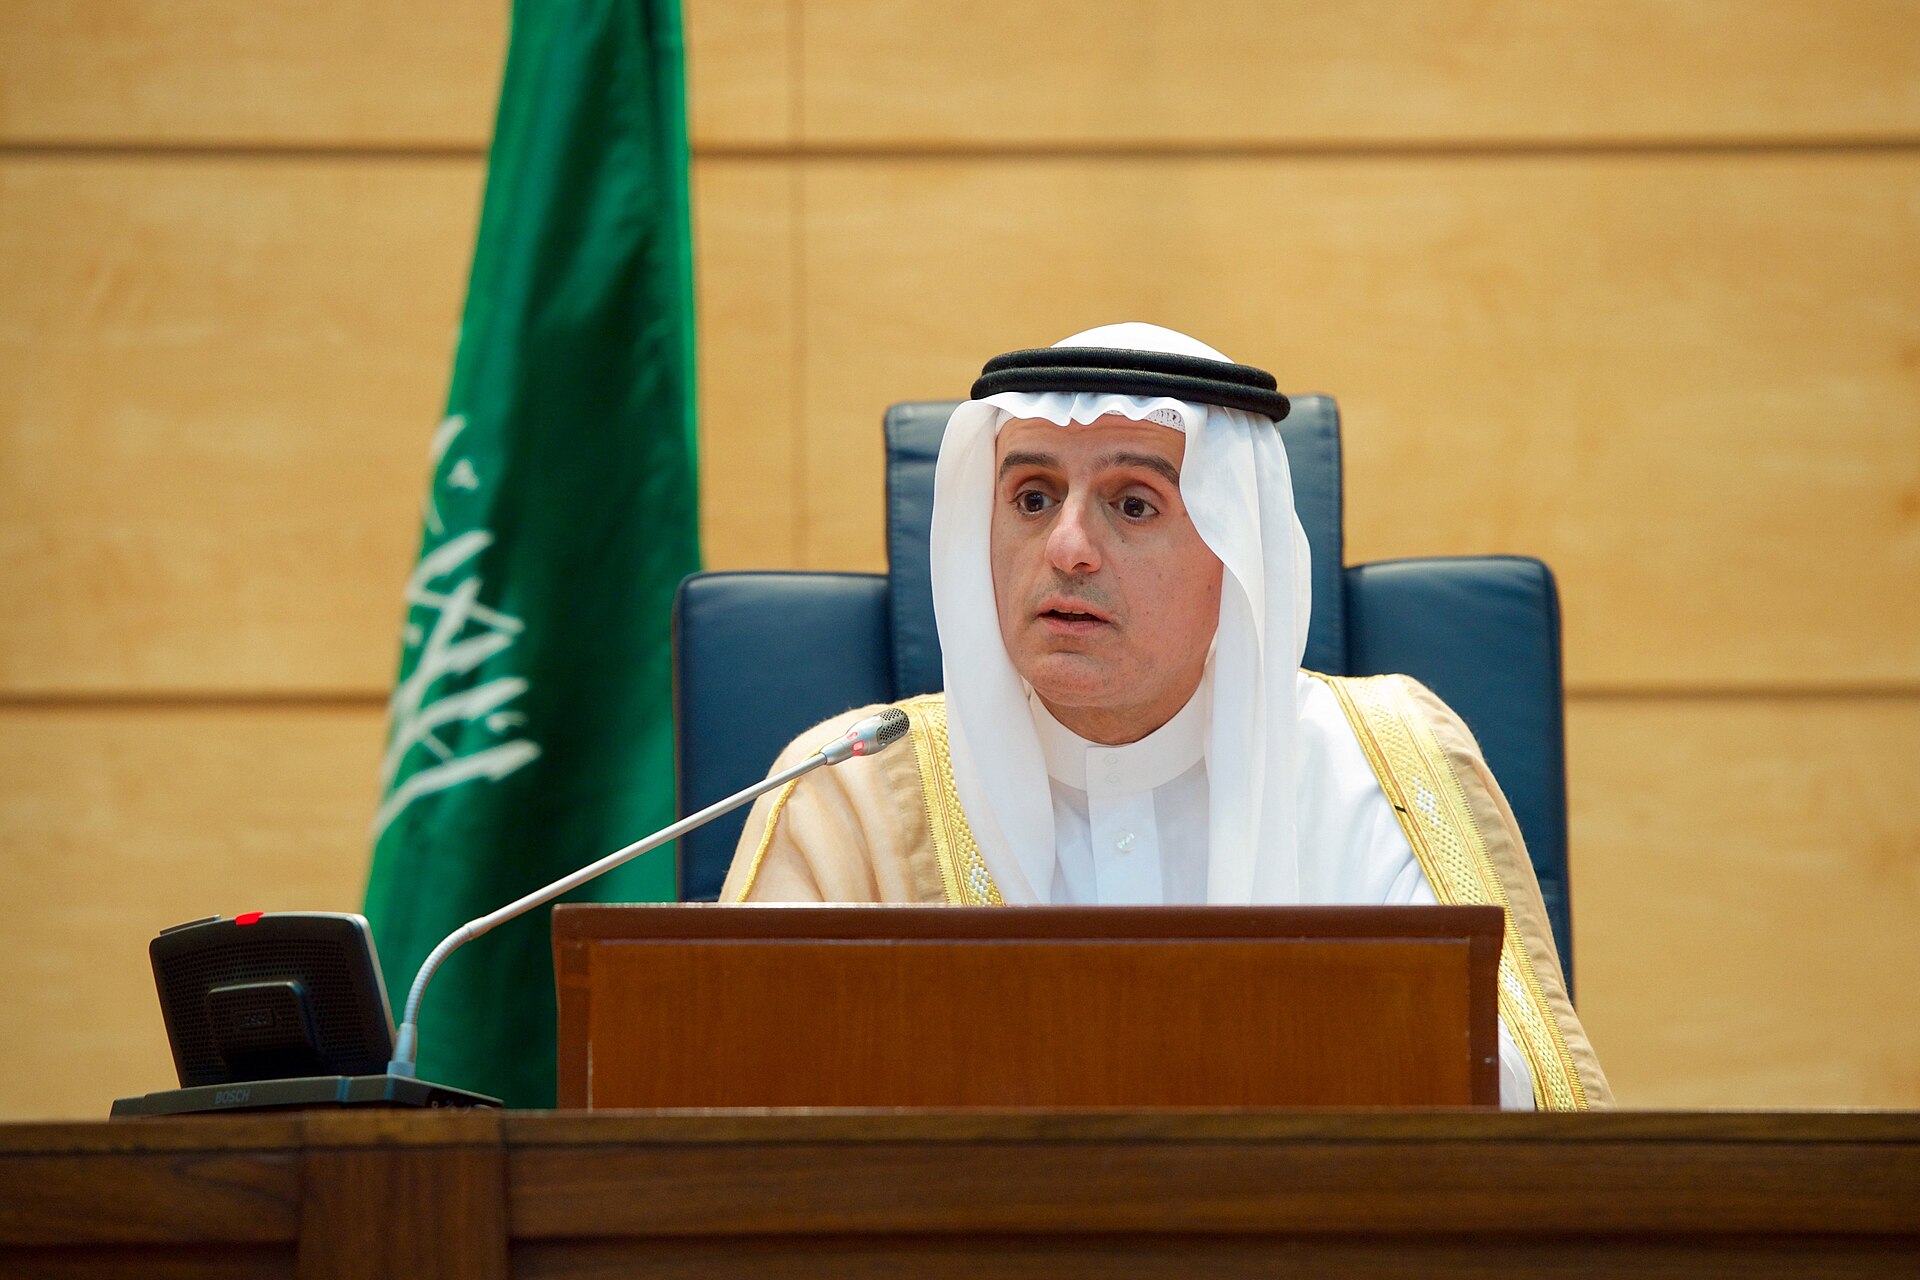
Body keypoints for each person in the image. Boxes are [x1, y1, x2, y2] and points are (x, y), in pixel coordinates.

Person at [720, 323, 1610, 1111]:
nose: (1065, 548)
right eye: (1031, 497)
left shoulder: (1383, 765)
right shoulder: (849, 791)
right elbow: (738, 1133)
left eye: (1132, 504)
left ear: (1238, 552)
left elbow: (1507, 1114)